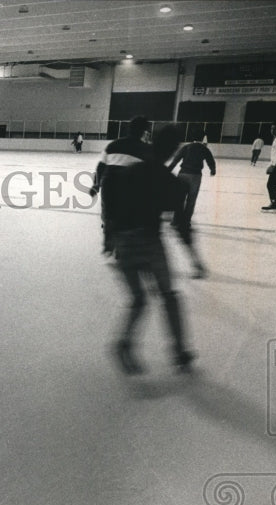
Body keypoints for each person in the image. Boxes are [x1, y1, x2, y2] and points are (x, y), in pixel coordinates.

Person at [106, 124, 194, 375]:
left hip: (124, 242)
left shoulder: (131, 171)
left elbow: (112, 206)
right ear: (173, 150)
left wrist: (110, 238)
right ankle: (179, 352)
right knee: (168, 297)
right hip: (149, 244)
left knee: (139, 300)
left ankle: (124, 343)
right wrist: (194, 258)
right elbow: (180, 224)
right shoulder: (172, 184)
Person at [90, 116, 152, 255]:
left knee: (108, 215)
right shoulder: (146, 149)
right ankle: (120, 248)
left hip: (109, 184)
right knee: (126, 217)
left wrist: (96, 185)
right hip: (130, 187)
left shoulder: (113, 145)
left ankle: (109, 243)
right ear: (144, 131)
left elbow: (101, 166)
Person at [168, 130, 216, 279]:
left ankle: (176, 220)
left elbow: (176, 159)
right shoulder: (204, 148)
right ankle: (186, 222)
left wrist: (168, 170)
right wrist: (213, 170)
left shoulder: (186, 147)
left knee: (179, 199)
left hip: (183, 174)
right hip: (195, 176)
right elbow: (210, 160)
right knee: (191, 200)